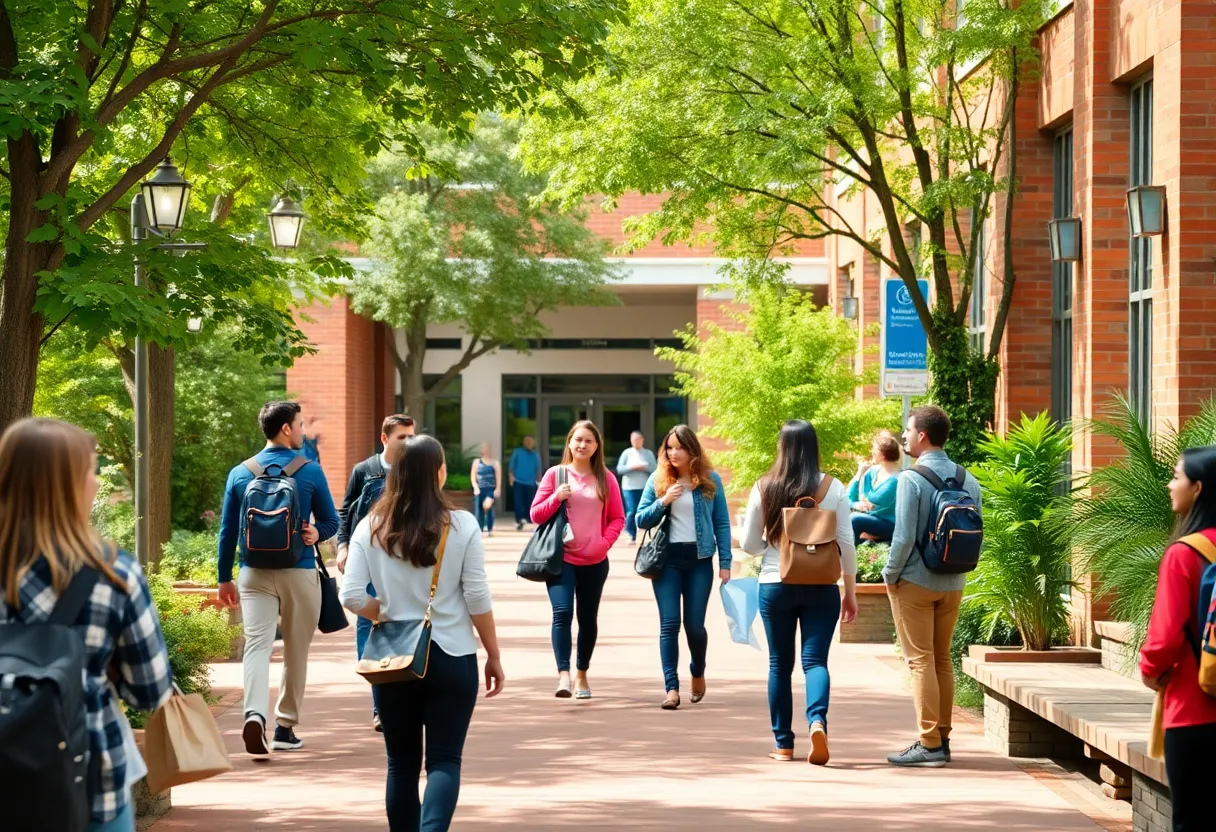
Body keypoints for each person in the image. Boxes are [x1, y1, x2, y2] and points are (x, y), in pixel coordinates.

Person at [0, 418, 174, 832]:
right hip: (89, 781)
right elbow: (150, 691)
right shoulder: (113, 573)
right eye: (90, 471)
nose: (96, 482)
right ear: (69, 485)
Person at [341, 435, 504, 832]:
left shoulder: (371, 526)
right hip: (453, 654)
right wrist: (493, 655)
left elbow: (350, 595)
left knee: (400, 764)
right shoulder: (461, 524)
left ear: (395, 473)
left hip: (393, 657)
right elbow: (477, 595)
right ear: (439, 472)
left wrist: (384, 613)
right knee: (445, 760)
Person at [217, 401, 341, 756]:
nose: (303, 431)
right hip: (299, 571)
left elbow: (227, 531)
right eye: (300, 424)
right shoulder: (310, 471)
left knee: (257, 645)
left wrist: (224, 578)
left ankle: (254, 714)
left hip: (253, 572)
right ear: (286, 429)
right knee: (295, 651)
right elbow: (332, 521)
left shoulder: (240, 473)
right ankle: (284, 728)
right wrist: (316, 533)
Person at [740, 419, 857, 765]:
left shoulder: (764, 486)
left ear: (782, 447)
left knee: (779, 664)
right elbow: (847, 543)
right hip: (822, 587)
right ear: (813, 447)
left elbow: (748, 544)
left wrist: (773, 548)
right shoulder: (834, 488)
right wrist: (850, 591)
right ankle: (817, 721)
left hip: (775, 584)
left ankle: (783, 744)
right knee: (815, 662)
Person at [882, 405, 980, 768]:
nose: (904, 436)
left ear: (922, 435)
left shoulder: (911, 479)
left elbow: (904, 536)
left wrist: (889, 574)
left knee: (920, 660)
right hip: (954, 581)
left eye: (908, 430)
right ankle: (943, 738)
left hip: (916, 581)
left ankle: (928, 744)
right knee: (941, 659)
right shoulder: (968, 478)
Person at [1139, 446, 1216, 832]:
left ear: (1198, 488)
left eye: (1176, 476)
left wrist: (1150, 672)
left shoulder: (1185, 554)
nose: (1170, 486)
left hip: (1194, 709)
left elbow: (1163, 640)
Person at [634, 425, 732, 709]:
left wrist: (725, 563)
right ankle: (671, 688)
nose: (673, 453)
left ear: (692, 450)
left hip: (699, 560)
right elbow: (640, 519)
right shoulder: (658, 478)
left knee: (695, 626)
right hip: (667, 560)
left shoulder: (710, 479)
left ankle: (697, 670)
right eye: (669, 447)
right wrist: (664, 500)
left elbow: (722, 523)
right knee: (669, 624)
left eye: (679, 447)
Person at [531, 420, 626, 700]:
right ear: (570, 443)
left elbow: (618, 518)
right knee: (562, 613)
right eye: (578, 439)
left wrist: (603, 544)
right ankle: (564, 674)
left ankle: (582, 674)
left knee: (587, 618)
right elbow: (535, 514)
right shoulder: (555, 475)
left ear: (596, 446)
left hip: (595, 561)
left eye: (589, 441)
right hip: (561, 559)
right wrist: (555, 498)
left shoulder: (606, 478)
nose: (582, 445)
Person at [335, 413, 416, 732]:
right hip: (367, 557)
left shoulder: (414, 470)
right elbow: (345, 511)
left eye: (411, 436)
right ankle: (379, 703)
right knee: (368, 623)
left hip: (403, 559)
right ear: (385, 438)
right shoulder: (364, 470)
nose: (408, 442)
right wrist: (343, 546)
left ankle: (403, 690)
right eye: (402, 437)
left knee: (403, 621)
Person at [848, 431, 902, 546]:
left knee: (854, 519)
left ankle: (845, 555)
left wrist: (858, 504)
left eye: (875, 449)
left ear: (883, 454)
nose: (872, 452)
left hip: (890, 524)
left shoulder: (896, 479)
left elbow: (871, 503)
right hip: (871, 519)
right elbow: (849, 498)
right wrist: (859, 474)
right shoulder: (872, 472)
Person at [617, 431, 658, 544]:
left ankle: (648, 534)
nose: (636, 442)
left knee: (647, 510)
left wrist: (644, 468)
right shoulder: (626, 453)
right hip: (629, 487)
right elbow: (620, 469)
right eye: (634, 440)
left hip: (645, 487)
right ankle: (631, 534)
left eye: (638, 439)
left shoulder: (648, 453)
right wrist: (633, 467)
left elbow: (654, 469)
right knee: (631, 511)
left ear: (642, 440)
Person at [508, 436, 543, 531]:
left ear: (533, 443)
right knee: (519, 503)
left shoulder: (535, 455)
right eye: (527, 441)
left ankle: (529, 521)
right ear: (523, 442)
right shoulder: (517, 452)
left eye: (530, 442)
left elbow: (538, 469)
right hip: (518, 481)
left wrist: (539, 482)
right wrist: (511, 477)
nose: (528, 443)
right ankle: (519, 521)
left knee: (530, 502)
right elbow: (511, 466)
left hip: (531, 483)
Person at [471, 443, 502, 537]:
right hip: (480, 489)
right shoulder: (477, 462)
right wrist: (475, 487)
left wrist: (498, 489)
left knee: (488, 508)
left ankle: (489, 528)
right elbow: (473, 477)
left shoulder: (495, 463)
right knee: (479, 510)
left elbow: (498, 477)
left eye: (487, 448)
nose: (485, 449)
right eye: (483, 448)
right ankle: (479, 529)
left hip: (490, 489)